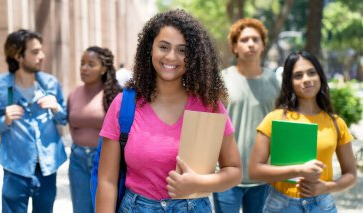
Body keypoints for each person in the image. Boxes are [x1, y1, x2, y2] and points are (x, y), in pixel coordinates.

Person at [95, 9, 243, 213]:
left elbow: (234, 171)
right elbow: (107, 180)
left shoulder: (209, 106)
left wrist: (199, 184)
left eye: (182, 50)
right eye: (164, 47)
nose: (171, 57)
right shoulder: (124, 105)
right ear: (150, 49)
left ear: (194, 56)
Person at [249, 51, 357, 213]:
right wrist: (299, 170)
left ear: (320, 76)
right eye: (298, 75)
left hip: (322, 206)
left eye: (312, 73)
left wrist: (326, 187)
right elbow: (255, 171)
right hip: (281, 206)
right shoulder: (275, 119)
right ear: (290, 82)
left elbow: (351, 175)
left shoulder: (336, 123)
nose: (306, 79)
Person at [0, 29, 67, 212]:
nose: (42, 56)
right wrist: (3, 121)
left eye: (41, 50)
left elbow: (65, 119)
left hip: (47, 168)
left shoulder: (50, 84)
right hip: (15, 169)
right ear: (17, 55)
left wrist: (56, 108)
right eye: (35, 52)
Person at [212, 18, 280, 213]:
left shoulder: (274, 81)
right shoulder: (222, 80)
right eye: (244, 40)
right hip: (227, 174)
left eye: (255, 39)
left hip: (264, 175)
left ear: (263, 46)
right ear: (234, 46)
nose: (250, 44)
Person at [67, 46, 122, 213]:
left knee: (106, 208)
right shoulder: (74, 94)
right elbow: (71, 125)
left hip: (106, 159)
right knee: (81, 209)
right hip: (77, 160)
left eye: (91, 64)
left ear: (103, 68)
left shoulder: (114, 95)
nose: (84, 68)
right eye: (82, 63)